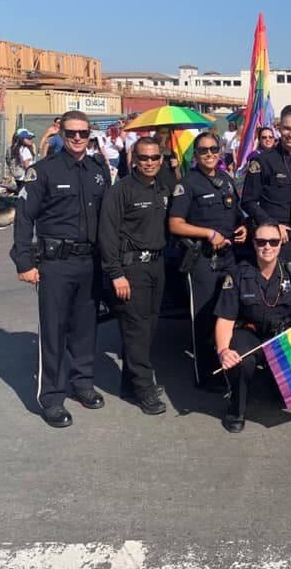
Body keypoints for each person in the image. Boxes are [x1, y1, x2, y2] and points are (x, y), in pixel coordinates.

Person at [10, 110, 112, 428]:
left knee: (85, 329)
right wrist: (24, 261)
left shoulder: (98, 170)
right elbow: (24, 217)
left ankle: (82, 384)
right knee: (54, 330)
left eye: (84, 134)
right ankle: (52, 397)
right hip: (55, 263)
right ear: (61, 133)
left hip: (90, 262)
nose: (78, 139)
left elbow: (108, 219)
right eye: (72, 133)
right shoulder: (43, 172)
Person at [214, 222, 291, 432]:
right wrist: (223, 351)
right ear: (254, 244)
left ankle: (273, 381)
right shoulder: (238, 274)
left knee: (282, 397)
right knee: (239, 361)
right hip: (250, 333)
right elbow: (225, 319)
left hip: (280, 336)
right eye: (261, 242)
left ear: (280, 244)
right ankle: (236, 408)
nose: (267, 247)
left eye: (273, 241)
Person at [169, 131, 247, 388]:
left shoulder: (225, 180)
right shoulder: (188, 184)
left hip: (228, 259)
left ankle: (226, 363)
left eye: (214, 149)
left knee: (227, 314)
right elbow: (175, 224)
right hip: (202, 260)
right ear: (196, 155)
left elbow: (236, 213)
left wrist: (243, 226)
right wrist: (207, 233)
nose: (210, 154)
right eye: (204, 150)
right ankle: (205, 375)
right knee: (203, 319)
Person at [98, 137, 170, 415]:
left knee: (148, 328)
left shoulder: (162, 188)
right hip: (131, 269)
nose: (149, 162)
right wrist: (116, 274)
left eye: (154, 158)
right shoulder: (121, 191)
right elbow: (107, 235)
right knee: (136, 329)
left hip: (156, 267)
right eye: (144, 158)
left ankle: (130, 383)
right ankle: (144, 389)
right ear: (134, 160)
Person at [242, 104, 291, 271]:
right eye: (287, 128)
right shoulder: (264, 162)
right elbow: (248, 201)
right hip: (275, 242)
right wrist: (272, 224)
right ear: (279, 128)